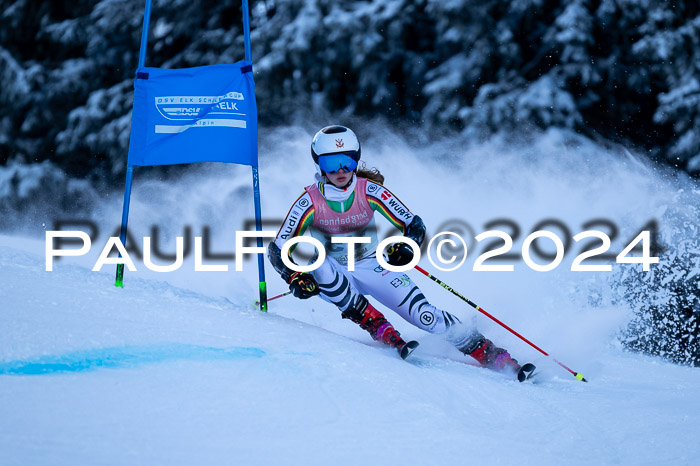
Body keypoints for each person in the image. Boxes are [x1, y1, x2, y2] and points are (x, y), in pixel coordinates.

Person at [268, 125, 531, 380]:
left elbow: (412, 224)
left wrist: (407, 245)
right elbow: (277, 248)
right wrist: (293, 276)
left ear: (356, 160)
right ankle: (374, 323)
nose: (340, 171)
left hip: (371, 264)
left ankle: (488, 351)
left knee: (424, 315)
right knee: (320, 261)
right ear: (318, 165)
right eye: (330, 164)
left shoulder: (368, 190)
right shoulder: (310, 201)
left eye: (347, 162)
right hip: (333, 272)